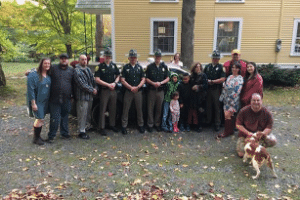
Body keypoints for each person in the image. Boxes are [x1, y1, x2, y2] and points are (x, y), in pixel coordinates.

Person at [236, 93, 277, 158]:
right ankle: (253, 147)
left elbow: (269, 127)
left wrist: (261, 134)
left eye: (258, 100)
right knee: (241, 154)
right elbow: (238, 125)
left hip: (260, 135)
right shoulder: (243, 111)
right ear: (250, 101)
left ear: (261, 101)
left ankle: (260, 146)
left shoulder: (267, 112)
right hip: (246, 135)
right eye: (254, 100)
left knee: (273, 140)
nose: (256, 102)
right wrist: (249, 134)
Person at [46, 53, 74, 143]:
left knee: (65, 117)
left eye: (65, 58)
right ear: (60, 60)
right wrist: (31, 72)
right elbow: (42, 72)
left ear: (68, 60)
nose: (64, 60)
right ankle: (51, 135)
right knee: (54, 118)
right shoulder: (53, 68)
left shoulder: (71, 70)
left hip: (67, 98)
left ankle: (64, 133)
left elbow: (74, 84)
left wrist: (73, 95)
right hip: (54, 98)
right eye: (62, 58)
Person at [95, 48, 120, 135]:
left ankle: (112, 125)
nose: (108, 58)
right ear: (104, 57)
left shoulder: (114, 65)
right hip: (104, 90)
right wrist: (108, 85)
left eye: (109, 56)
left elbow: (118, 75)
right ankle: (101, 127)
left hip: (113, 90)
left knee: (113, 108)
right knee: (103, 108)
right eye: (106, 56)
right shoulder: (100, 66)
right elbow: (97, 79)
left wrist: (115, 83)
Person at [120, 49, 146, 135]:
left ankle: (141, 125)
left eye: (134, 57)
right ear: (129, 58)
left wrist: (138, 87)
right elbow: (122, 80)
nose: (133, 59)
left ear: (136, 58)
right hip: (128, 91)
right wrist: (131, 87)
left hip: (138, 91)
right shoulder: (126, 67)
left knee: (139, 109)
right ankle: (124, 126)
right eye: (131, 57)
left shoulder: (140, 67)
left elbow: (143, 79)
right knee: (125, 109)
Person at [27, 58, 51, 145]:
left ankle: (38, 136)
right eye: (45, 63)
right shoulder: (34, 75)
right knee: (39, 119)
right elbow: (31, 90)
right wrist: (33, 103)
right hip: (37, 101)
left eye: (48, 63)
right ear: (41, 64)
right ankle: (35, 138)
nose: (47, 65)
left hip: (45, 101)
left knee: (41, 119)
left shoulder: (48, 74)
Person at [74, 54, 98, 139]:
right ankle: (81, 131)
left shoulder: (88, 69)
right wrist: (93, 90)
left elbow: (93, 80)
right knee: (82, 114)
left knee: (88, 113)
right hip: (82, 96)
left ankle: (87, 126)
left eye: (85, 59)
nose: (84, 61)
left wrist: (95, 87)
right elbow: (82, 85)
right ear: (79, 61)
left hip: (89, 96)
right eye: (82, 59)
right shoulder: (77, 71)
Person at [217, 62, 244, 138]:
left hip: (233, 100)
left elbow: (237, 90)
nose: (234, 69)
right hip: (226, 100)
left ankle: (226, 131)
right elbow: (225, 87)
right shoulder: (229, 77)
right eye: (233, 67)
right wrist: (222, 97)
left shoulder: (240, 78)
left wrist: (229, 91)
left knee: (228, 115)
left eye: (236, 68)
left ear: (239, 69)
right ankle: (230, 130)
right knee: (227, 116)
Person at [145, 49, 169, 132]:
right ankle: (150, 124)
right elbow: (146, 78)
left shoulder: (164, 67)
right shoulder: (150, 67)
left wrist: (160, 83)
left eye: (159, 56)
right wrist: (153, 83)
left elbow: (168, 78)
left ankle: (157, 124)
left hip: (160, 91)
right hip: (152, 90)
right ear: (154, 57)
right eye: (156, 56)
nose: (157, 58)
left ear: (161, 57)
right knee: (150, 108)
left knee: (159, 108)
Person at [203, 50, 226, 131]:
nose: (215, 59)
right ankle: (208, 121)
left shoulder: (220, 67)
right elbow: (203, 76)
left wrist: (213, 81)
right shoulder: (207, 66)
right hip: (208, 89)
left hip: (216, 89)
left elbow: (223, 78)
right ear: (212, 58)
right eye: (214, 58)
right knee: (208, 106)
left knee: (217, 106)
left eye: (217, 58)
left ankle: (217, 123)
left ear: (219, 59)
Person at [188, 62, 208, 132]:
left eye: (199, 67)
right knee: (194, 111)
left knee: (200, 111)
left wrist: (198, 87)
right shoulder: (192, 76)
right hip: (193, 97)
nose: (198, 68)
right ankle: (193, 125)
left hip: (201, 97)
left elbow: (206, 86)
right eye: (196, 67)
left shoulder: (203, 75)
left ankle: (199, 126)